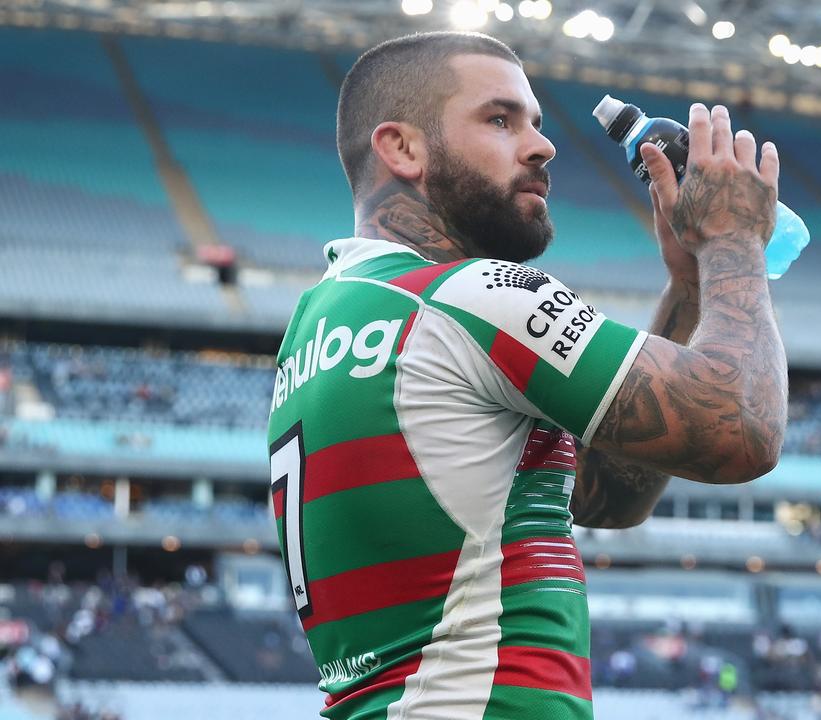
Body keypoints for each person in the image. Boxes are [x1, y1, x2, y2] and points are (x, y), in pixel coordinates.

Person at [266, 31, 788, 720]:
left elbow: (605, 497)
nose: (542, 147)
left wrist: (689, 290)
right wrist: (734, 243)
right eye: (500, 120)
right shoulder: (465, 296)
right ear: (402, 149)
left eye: (537, 124)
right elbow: (741, 428)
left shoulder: (321, 322)